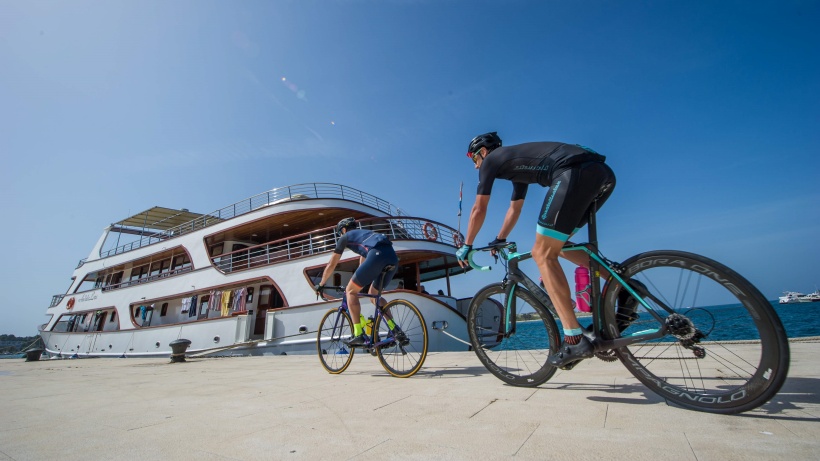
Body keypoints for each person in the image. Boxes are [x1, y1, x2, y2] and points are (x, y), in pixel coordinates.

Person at [455, 132, 616, 368]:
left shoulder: (491, 161)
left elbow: (478, 208)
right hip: (601, 173)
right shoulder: (515, 167)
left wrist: (467, 245)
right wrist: (500, 238)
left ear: (482, 152)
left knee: (542, 253)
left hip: (572, 172)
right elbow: (515, 210)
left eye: (473, 159)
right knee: (556, 246)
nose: (475, 165)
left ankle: (574, 340)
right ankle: (622, 285)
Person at [315, 217, 403, 347]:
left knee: (350, 291)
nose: (341, 235)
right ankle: (395, 331)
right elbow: (363, 262)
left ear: (344, 229)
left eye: (341, 232)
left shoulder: (345, 237)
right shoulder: (366, 234)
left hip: (376, 255)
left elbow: (332, 264)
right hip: (392, 258)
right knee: (374, 296)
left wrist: (321, 284)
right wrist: (360, 279)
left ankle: (358, 334)